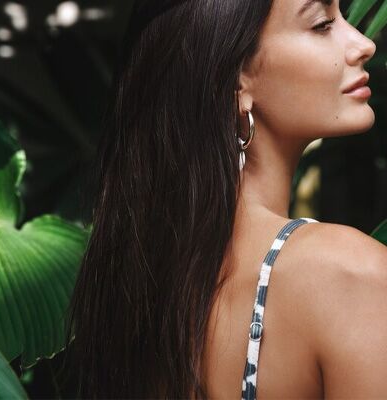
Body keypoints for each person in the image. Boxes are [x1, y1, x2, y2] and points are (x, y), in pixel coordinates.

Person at [65, 0, 387, 398]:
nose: (363, 44)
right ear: (237, 81)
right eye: (321, 24)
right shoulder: (348, 275)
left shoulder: (139, 289)